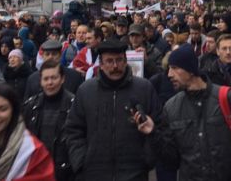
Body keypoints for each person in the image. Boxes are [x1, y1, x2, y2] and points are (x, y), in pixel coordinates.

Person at [135, 43, 231, 180]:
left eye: (174, 68)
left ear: (190, 70)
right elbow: (171, 161)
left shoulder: (227, 98)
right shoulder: (171, 107)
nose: (169, 74)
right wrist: (153, 134)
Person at [65, 39, 162, 180]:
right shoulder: (86, 91)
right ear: (102, 64)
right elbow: (74, 129)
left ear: (125, 61)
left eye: (119, 60)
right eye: (109, 61)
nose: (115, 66)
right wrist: (81, 162)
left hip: (134, 173)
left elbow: (158, 125)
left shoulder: (144, 89)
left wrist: (146, 160)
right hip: (94, 173)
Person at [23, 60, 74, 181]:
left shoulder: (75, 105)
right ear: (40, 81)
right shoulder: (30, 106)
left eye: (54, 78)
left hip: (65, 173)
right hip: (37, 171)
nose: (50, 83)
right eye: (46, 79)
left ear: (62, 79)